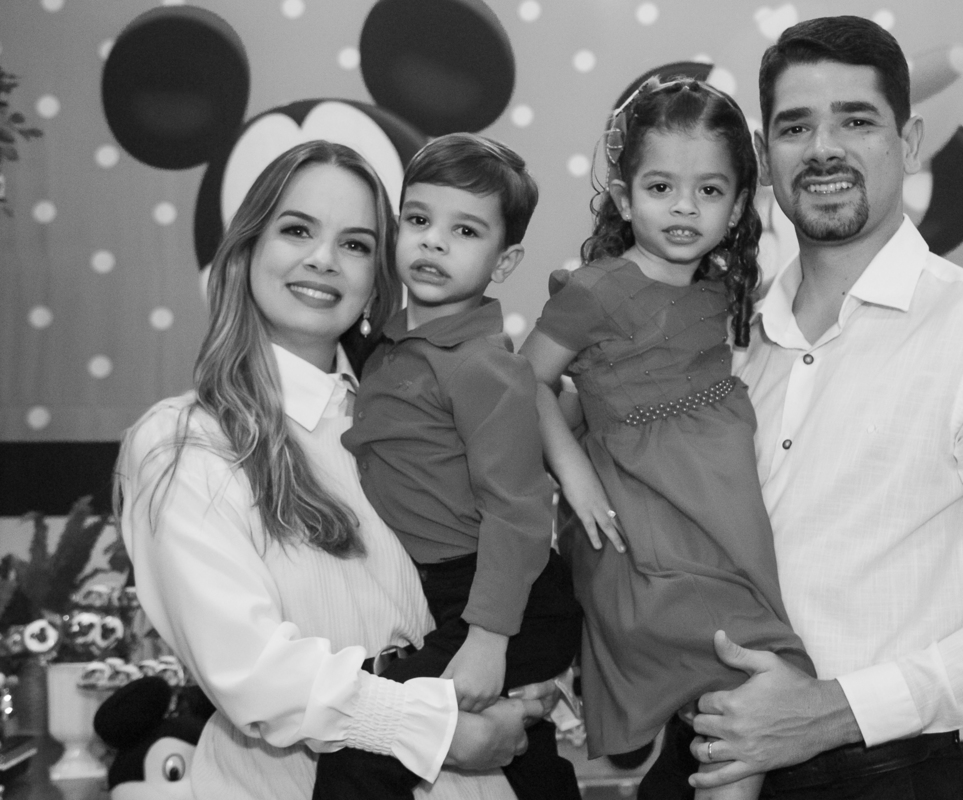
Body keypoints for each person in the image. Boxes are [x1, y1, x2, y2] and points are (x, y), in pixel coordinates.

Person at [677, 16, 963, 799]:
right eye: (795, 127)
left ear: (910, 142)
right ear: (764, 154)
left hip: (885, 775)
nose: (823, 149)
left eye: (856, 121)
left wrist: (839, 710)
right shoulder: (724, 341)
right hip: (699, 760)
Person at [116, 139, 546, 800]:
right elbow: (250, 672)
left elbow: (506, 541)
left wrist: (530, 668)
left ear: (378, 276)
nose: (323, 259)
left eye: (355, 244)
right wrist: (437, 728)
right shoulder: (183, 443)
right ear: (246, 251)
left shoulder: (411, 412)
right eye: (296, 230)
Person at [519, 77, 815, 800]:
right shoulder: (594, 290)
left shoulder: (720, 289)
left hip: (718, 507)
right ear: (625, 199)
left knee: (748, 693)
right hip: (643, 515)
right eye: (661, 187)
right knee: (746, 671)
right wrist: (573, 475)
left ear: (737, 208)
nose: (685, 207)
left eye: (709, 191)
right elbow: (521, 383)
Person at [315, 133, 583, 800]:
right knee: (523, 752)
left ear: (505, 260)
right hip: (444, 593)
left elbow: (519, 511)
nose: (434, 242)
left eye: (465, 230)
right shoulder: (388, 343)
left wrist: (489, 639)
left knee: (365, 749)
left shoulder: (485, 367)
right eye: (419, 219)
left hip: (504, 600)